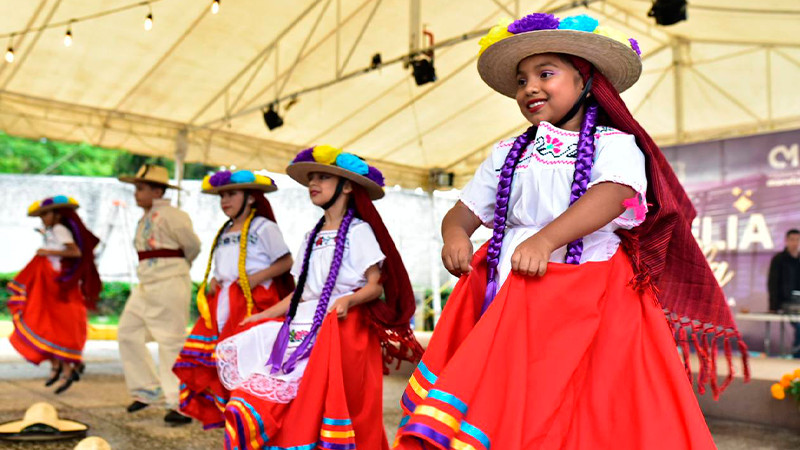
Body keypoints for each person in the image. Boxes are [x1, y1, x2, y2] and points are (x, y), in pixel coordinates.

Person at [393, 13, 747, 449]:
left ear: (586, 80)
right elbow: (464, 210)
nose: (530, 88)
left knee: (586, 399)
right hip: (513, 290)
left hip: (593, 291)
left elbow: (615, 194)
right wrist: (455, 235)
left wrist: (546, 240)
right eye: (521, 80)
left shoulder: (614, 143)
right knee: (515, 397)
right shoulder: (506, 152)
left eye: (545, 74)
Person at [215, 146, 422, 449]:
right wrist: (264, 315)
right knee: (271, 391)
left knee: (337, 401)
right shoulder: (311, 235)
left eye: (323, 177)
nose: (313, 183)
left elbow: (375, 285)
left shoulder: (359, 231)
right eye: (311, 178)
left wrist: (348, 301)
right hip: (306, 322)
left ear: (347, 187)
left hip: (343, 327)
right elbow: (300, 294)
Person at [173, 169, 294, 429]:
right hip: (224, 300)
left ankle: (252, 417)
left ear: (250, 198)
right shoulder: (226, 230)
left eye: (232, 194)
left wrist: (258, 277)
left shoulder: (264, 227)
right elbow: (224, 266)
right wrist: (215, 280)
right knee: (216, 357)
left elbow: (286, 261)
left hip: (253, 300)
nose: (225, 200)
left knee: (246, 360)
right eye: (222, 196)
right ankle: (229, 415)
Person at [117, 164, 201, 425]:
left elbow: (192, 246)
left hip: (169, 282)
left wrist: (175, 268)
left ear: (157, 191)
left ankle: (179, 403)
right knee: (128, 332)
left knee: (170, 341)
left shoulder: (174, 215)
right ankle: (146, 388)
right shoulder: (144, 218)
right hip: (146, 283)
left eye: (141, 188)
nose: (136, 193)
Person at [6, 196, 101, 394]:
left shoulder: (59, 229)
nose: (43, 219)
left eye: (45, 214)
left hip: (59, 285)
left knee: (59, 326)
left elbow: (75, 252)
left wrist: (46, 251)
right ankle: (59, 367)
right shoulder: (54, 230)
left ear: (57, 214)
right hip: (53, 284)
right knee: (51, 325)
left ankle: (66, 368)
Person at [768, 229, 800, 357]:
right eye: (792, 240)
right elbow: (773, 283)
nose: (795, 243)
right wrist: (773, 306)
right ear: (786, 241)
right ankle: (797, 354)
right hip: (785, 302)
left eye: (797, 240)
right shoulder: (779, 259)